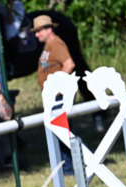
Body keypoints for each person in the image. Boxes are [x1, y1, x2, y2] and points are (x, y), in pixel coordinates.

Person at [35, 14, 76, 174]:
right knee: (60, 131)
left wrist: (58, 86)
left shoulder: (56, 44)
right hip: (53, 97)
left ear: (49, 29)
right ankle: (67, 167)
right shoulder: (48, 46)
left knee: (63, 131)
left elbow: (69, 64)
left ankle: (75, 165)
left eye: (39, 31)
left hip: (58, 98)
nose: (36, 34)